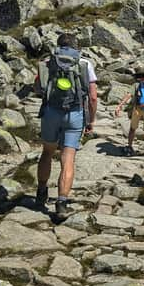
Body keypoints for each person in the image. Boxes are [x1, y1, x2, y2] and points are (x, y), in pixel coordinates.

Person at [35, 33, 97, 217]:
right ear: (76, 47)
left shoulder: (48, 62)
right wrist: (91, 120)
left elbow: (38, 88)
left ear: (58, 45)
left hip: (51, 112)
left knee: (47, 152)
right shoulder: (85, 64)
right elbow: (93, 96)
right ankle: (62, 203)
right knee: (68, 158)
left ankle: (41, 190)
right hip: (75, 113)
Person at [114, 67, 144, 162]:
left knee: (133, 128)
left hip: (138, 109)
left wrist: (119, 106)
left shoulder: (136, 85)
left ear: (138, 77)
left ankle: (130, 146)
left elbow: (129, 95)